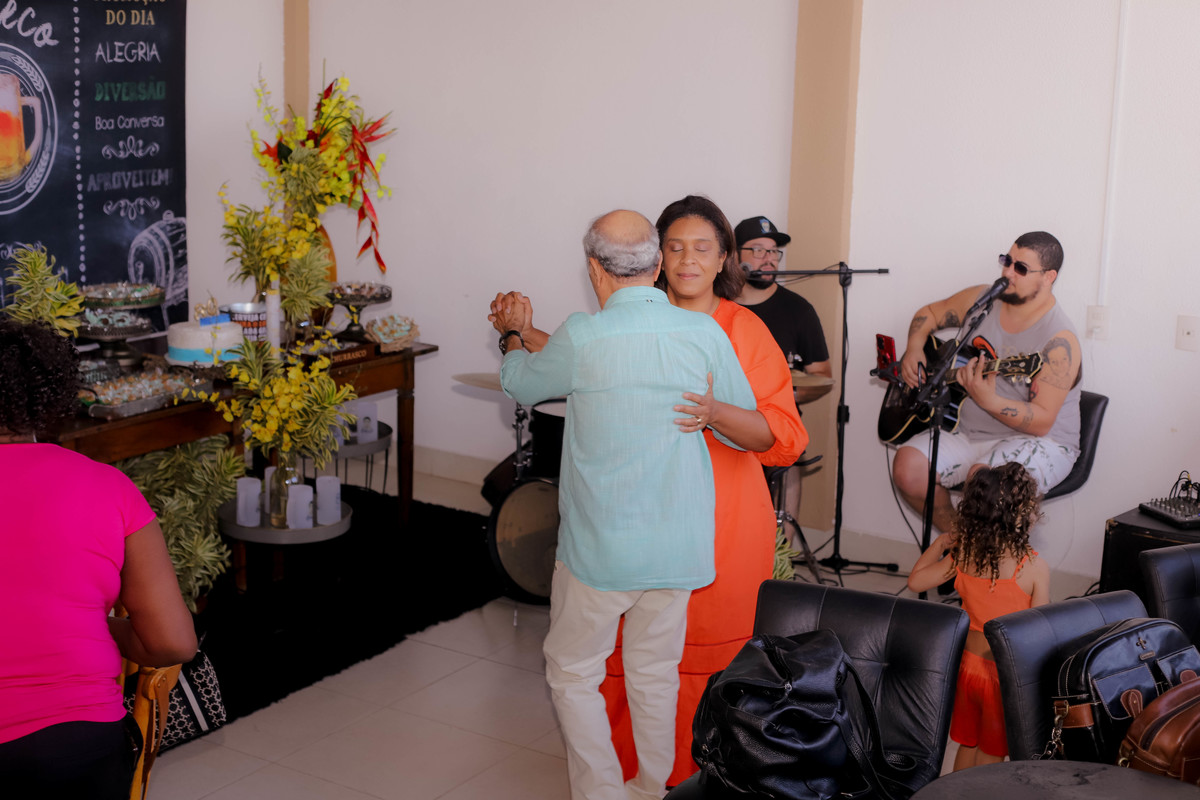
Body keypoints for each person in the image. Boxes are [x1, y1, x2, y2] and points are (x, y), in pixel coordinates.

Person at [488, 209, 758, 800]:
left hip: (599, 551)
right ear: (658, 265)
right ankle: (651, 791)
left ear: (593, 269)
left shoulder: (583, 335)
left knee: (572, 672)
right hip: (677, 547)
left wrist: (512, 336)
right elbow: (746, 430)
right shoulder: (703, 333)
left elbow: (522, 384)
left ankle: (603, 795)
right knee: (655, 673)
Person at [606, 196, 808, 785]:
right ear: (657, 258)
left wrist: (716, 411)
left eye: (702, 248)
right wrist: (520, 336)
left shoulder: (744, 330)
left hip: (722, 520)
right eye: (674, 247)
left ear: (724, 259)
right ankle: (632, 778)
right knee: (633, 649)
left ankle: (702, 780)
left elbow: (785, 437)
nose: (687, 259)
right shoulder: (632, 318)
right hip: (638, 514)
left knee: (707, 651)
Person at [0, 319, 198, 798]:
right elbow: (173, 643)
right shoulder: (108, 487)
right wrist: (103, 627)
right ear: (48, 396)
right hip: (79, 743)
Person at [891, 231, 1081, 534]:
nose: (1007, 273)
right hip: (971, 430)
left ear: (1049, 277)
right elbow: (930, 313)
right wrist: (914, 348)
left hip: (1043, 442)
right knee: (907, 468)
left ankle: (982, 556)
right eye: (1007, 261)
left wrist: (988, 400)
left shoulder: (1059, 341)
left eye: (1021, 268)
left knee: (987, 483)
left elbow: (1042, 421)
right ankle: (958, 543)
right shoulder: (983, 300)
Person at [906, 462, 1050, 770]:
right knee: (992, 753)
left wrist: (940, 543)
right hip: (1002, 676)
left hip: (967, 670)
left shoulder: (964, 555)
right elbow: (1040, 632)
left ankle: (954, 791)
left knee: (968, 743)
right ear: (1021, 515)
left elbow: (915, 582)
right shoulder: (1033, 567)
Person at [733, 215, 831, 404]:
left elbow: (822, 376)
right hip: (722, 418)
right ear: (735, 256)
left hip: (778, 419)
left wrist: (784, 399)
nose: (768, 258)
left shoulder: (800, 310)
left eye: (773, 251)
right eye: (758, 250)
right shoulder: (715, 305)